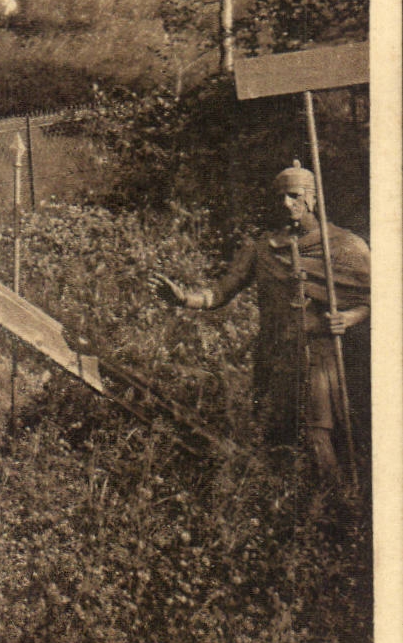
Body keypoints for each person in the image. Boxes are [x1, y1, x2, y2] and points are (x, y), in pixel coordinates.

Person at [151, 162, 370, 496]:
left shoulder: (342, 245)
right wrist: (184, 299)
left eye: (294, 195)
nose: (286, 203)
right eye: (280, 197)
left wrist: (350, 317)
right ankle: (278, 506)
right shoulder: (262, 249)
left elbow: (377, 297)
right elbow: (221, 292)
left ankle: (336, 506)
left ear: (312, 198)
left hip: (316, 355)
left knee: (317, 434)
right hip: (274, 355)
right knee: (274, 436)